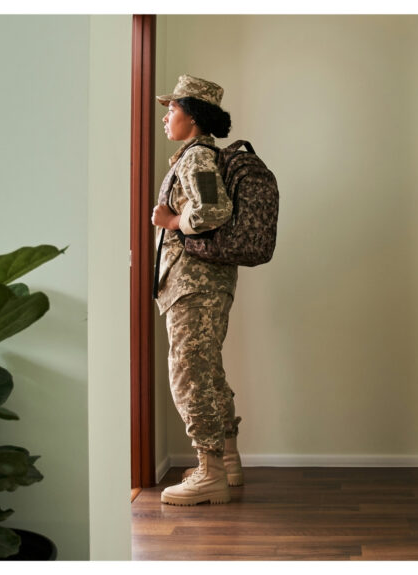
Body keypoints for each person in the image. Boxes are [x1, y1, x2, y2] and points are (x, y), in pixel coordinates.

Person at [151, 74, 244, 506]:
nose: (166, 117)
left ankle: (210, 473)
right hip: (200, 283)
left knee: (189, 372)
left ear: (191, 115)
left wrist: (171, 222)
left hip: (195, 284)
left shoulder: (196, 158)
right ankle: (226, 460)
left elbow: (215, 209)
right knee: (207, 369)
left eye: (172, 109)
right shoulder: (193, 157)